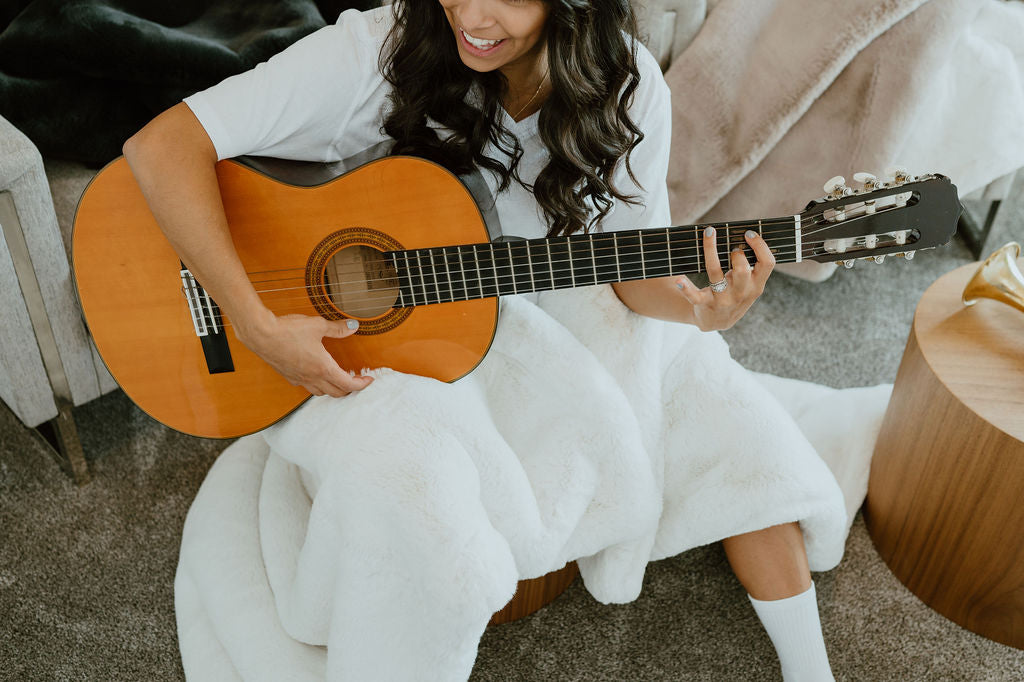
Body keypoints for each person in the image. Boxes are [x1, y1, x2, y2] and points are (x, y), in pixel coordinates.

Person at [123, 1, 835, 680]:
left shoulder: (628, 85)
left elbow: (627, 264)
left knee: (732, 419)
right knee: (429, 523)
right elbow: (159, 148)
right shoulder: (377, 50)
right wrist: (255, 322)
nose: (470, 16)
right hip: (366, 357)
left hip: (545, 315)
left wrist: (700, 314)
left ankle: (811, 668)